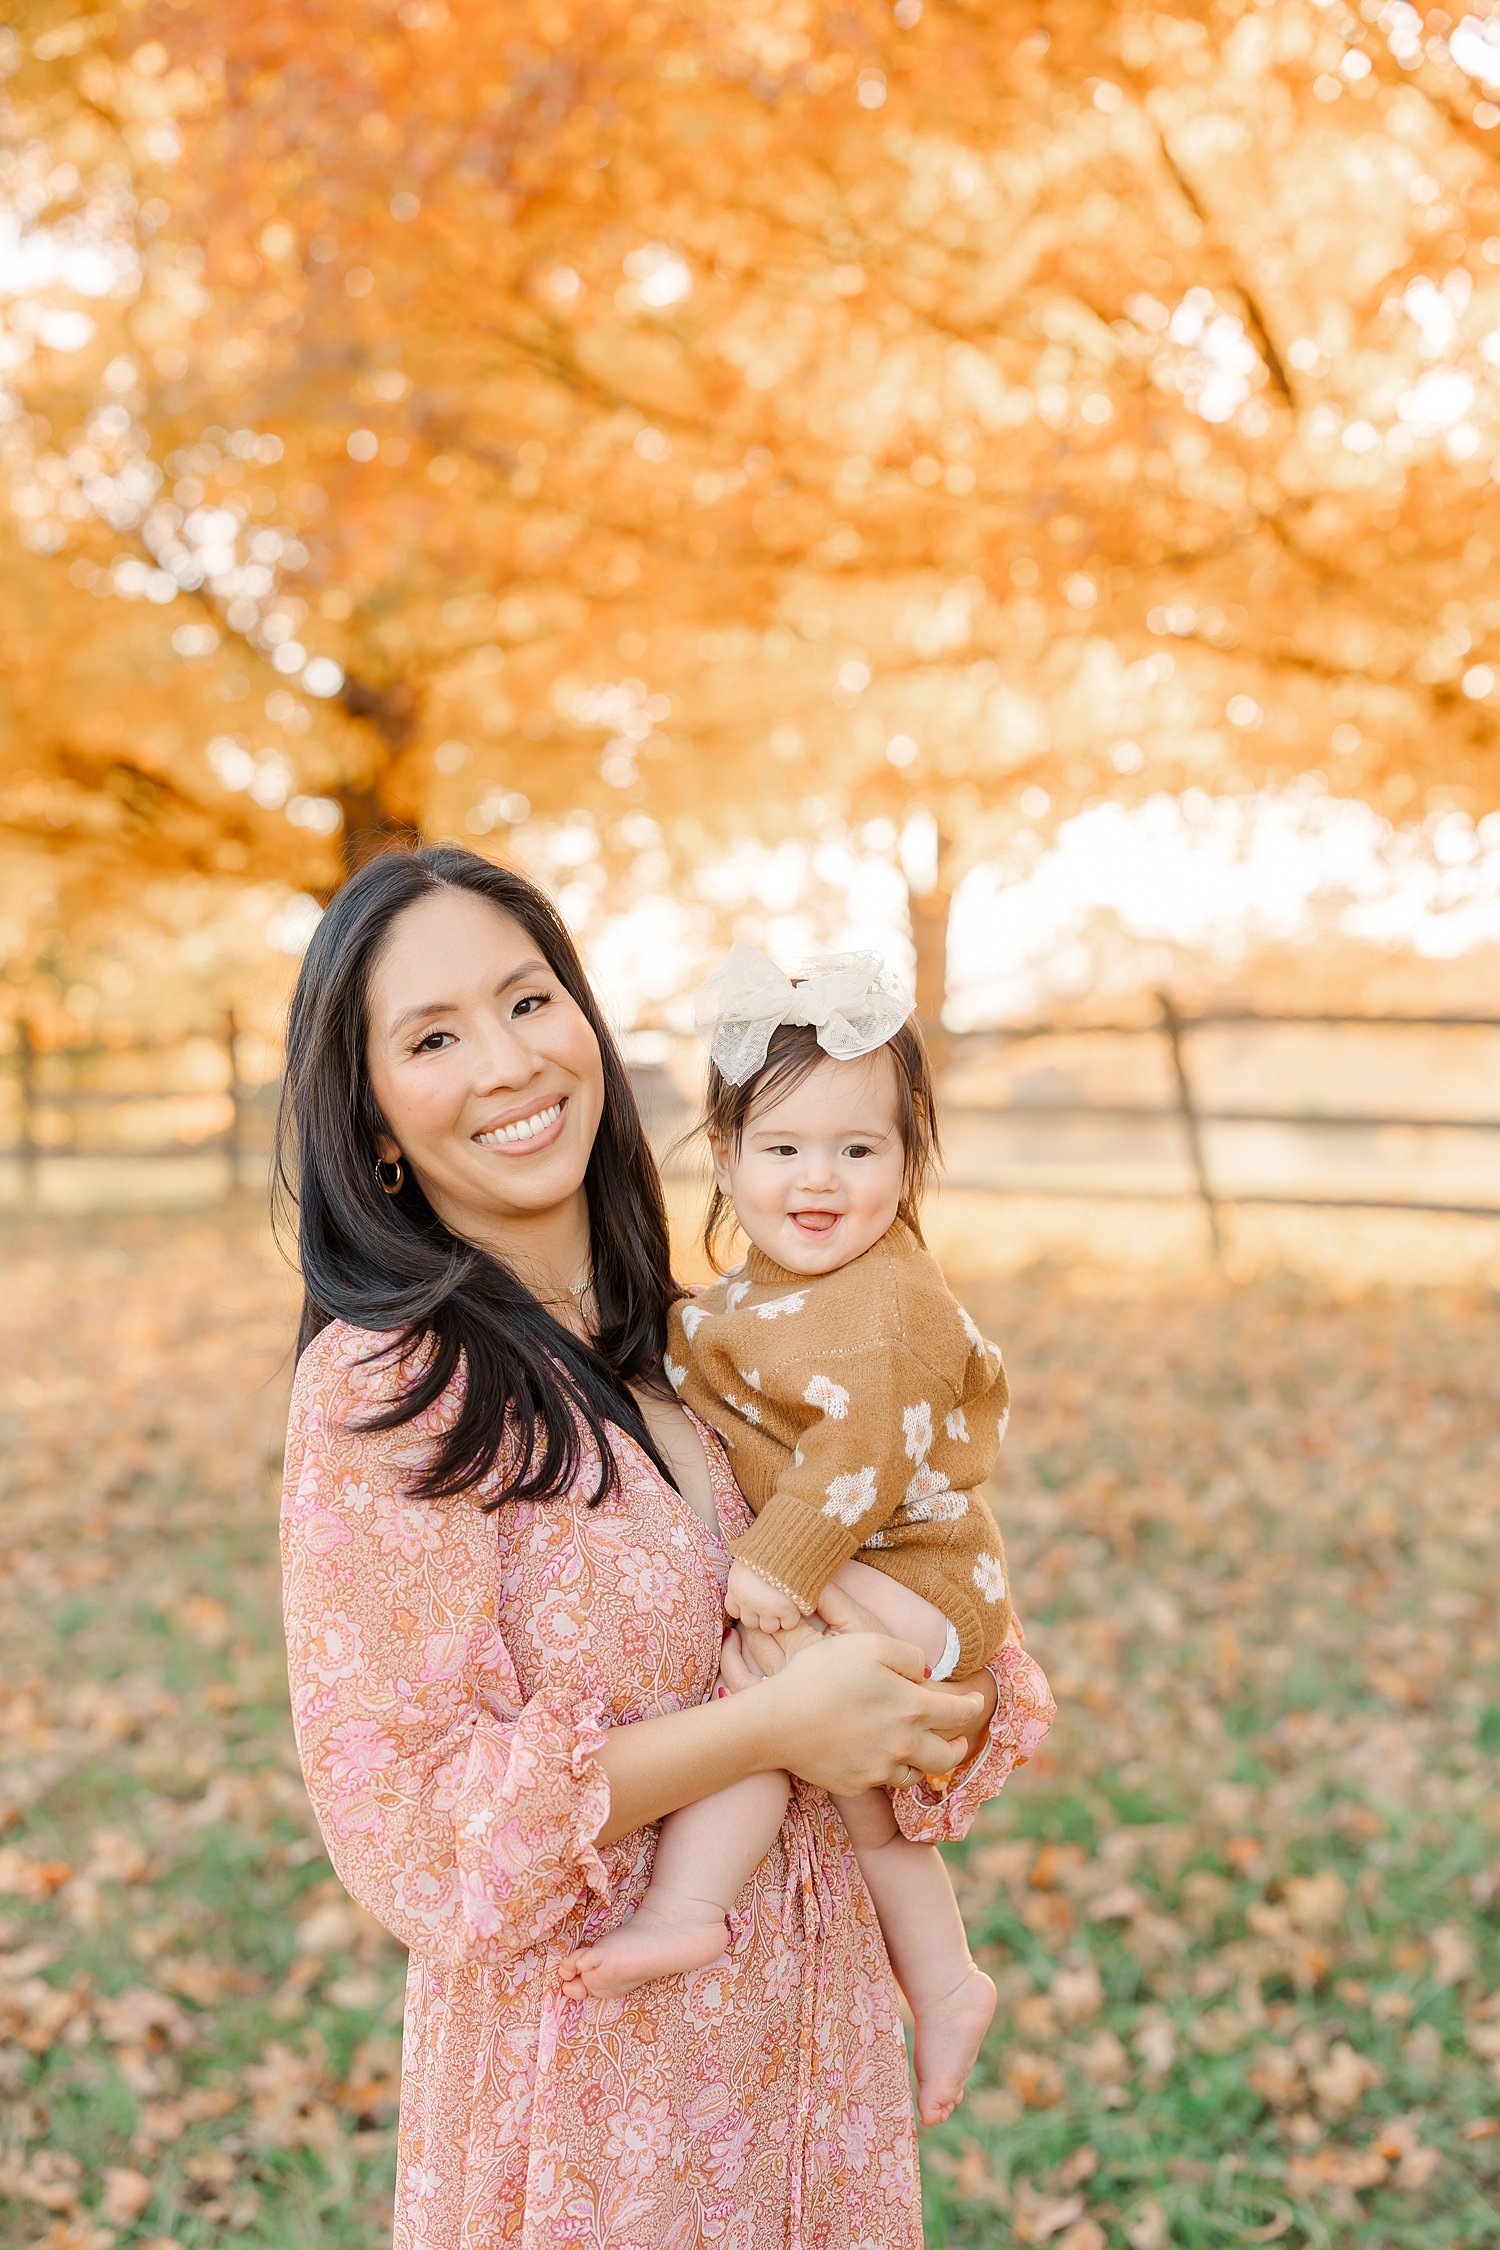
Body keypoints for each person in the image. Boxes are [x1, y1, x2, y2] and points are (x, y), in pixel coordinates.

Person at [276, 845, 1055, 2250]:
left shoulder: (712, 1344)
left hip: (814, 2083)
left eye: (529, 1000)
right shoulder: (391, 1387)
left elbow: (921, 1586)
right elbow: (402, 1821)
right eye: (435, 1036)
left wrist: (941, 1702)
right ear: (376, 1119)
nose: (508, 1062)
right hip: (601, 2121)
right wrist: (777, 1720)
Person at [561, 946, 1020, 2126]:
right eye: (783, 1149)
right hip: (869, 1568)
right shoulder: (757, 1296)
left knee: (764, 1685)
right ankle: (947, 1976)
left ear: (907, 1161)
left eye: (858, 1150)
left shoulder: (889, 1304)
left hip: (923, 1575)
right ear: (724, 1160)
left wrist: (773, 1571)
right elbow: (699, 1362)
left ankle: (687, 1910)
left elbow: (858, 1457)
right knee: (835, 1769)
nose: (819, 1180)